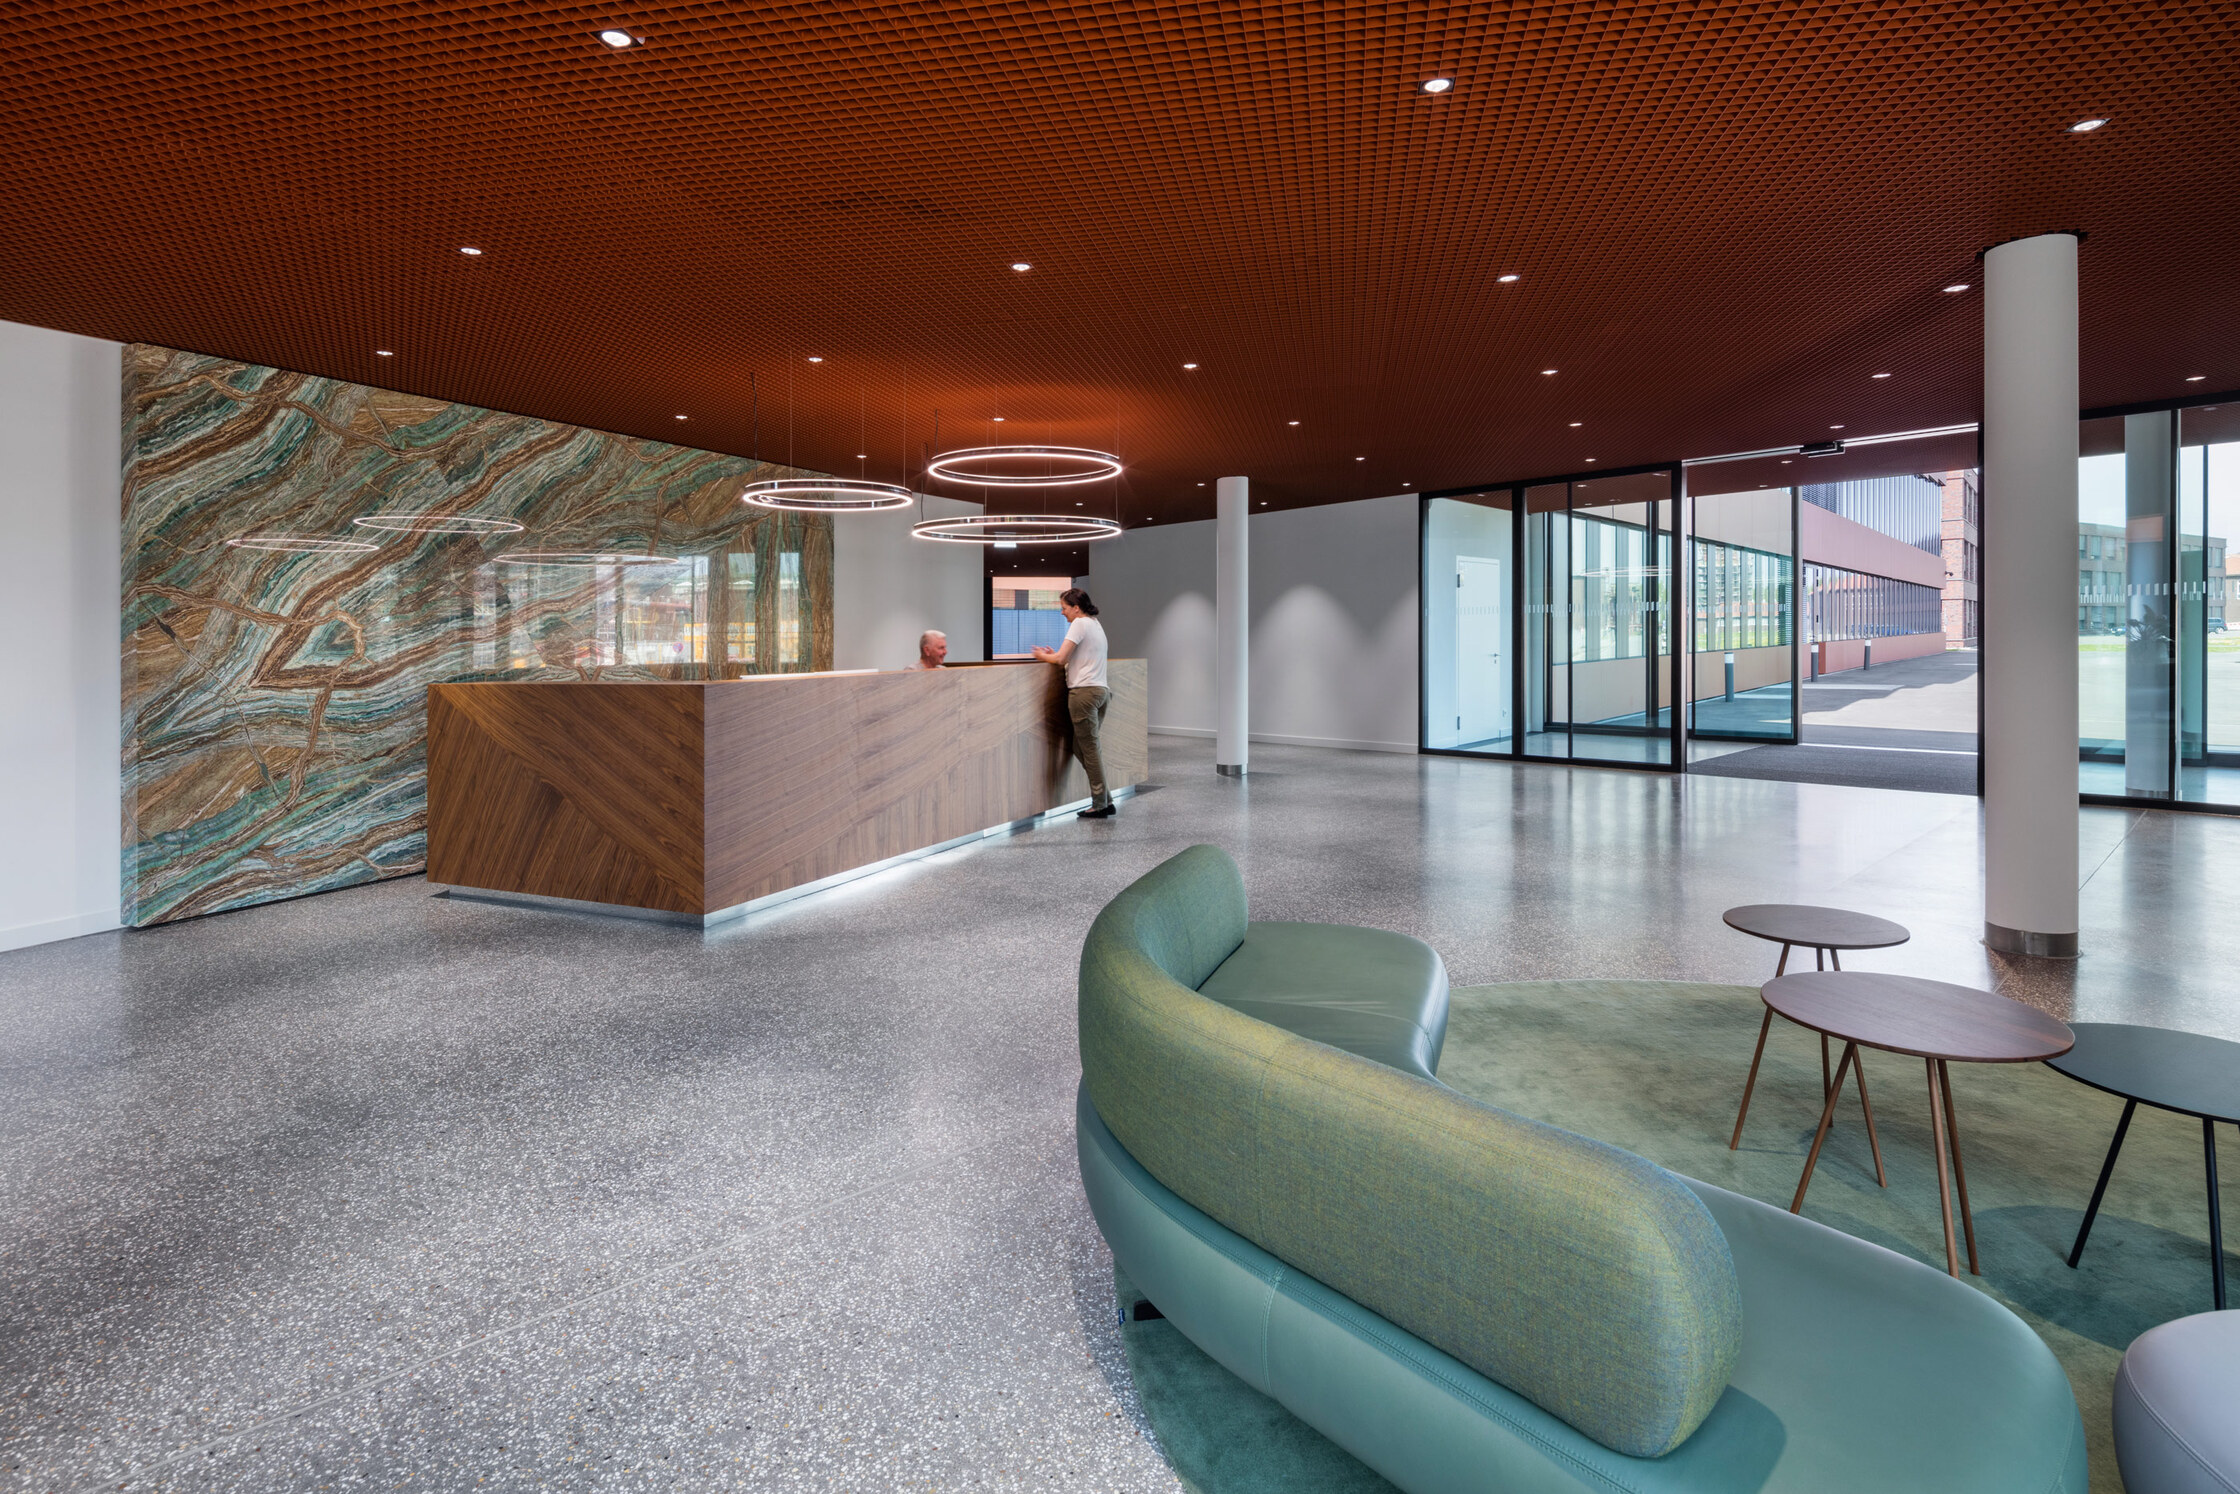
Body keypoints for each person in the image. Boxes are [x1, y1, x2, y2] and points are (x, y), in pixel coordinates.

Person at [1032, 589, 1114, 818]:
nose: (1062, 612)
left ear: (1076, 608)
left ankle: (1100, 804)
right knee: (1081, 747)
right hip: (1101, 692)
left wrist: (1042, 656)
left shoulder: (1079, 623)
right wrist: (1054, 654)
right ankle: (1106, 798)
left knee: (1090, 750)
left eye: (1064, 608)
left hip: (1084, 694)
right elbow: (1074, 657)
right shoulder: (1095, 624)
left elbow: (1060, 659)